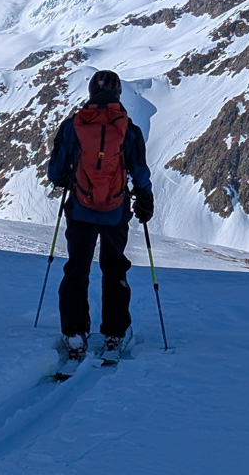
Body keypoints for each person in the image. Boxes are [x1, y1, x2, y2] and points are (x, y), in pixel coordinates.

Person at [47, 69, 154, 361]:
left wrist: (66, 181)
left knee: (77, 268)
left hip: (80, 208)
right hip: (115, 210)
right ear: (118, 94)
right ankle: (115, 334)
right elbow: (139, 170)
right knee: (114, 267)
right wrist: (144, 197)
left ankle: (74, 333)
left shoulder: (74, 125)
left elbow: (55, 170)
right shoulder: (129, 129)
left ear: (91, 94)